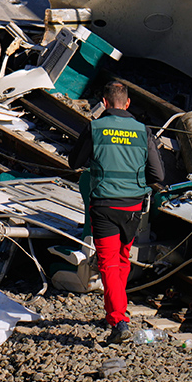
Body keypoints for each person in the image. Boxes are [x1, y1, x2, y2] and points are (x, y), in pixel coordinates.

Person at [68, 80, 164, 345]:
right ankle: (117, 310)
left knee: (108, 262)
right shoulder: (143, 131)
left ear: (105, 103)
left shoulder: (95, 127)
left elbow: (74, 162)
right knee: (122, 258)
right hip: (134, 208)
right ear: (128, 103)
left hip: (105, 206)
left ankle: (119, 320)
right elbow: (158, 174)